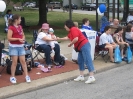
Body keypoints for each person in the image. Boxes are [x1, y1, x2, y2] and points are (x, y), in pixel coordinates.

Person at [57, 20, 95, 84]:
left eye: (65, 26)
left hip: (84, 45)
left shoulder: (73, 29)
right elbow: (67, 38)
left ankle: (91, 76)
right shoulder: (71, 31)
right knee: (80, 61)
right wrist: (59, 38)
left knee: (87, 60)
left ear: (68, 25)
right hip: (80, 47)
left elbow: (76, 39)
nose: (64, 27)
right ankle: (81, 76)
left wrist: (70, 44)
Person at [7, 14, 31, 84]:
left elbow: (23, 34)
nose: (21, 20)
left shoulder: (20, 27)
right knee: (14, 62)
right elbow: (9, 38)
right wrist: (18, 39)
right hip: (14, 47)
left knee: (23, 61)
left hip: (21, 46)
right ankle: (12, 77)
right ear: (16, 20)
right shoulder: (11, 28)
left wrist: (23, 38)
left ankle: (27, 76)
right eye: (20, 19)